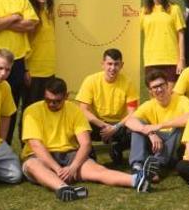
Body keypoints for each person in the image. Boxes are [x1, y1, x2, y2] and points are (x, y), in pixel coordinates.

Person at [21, 78, 157, 201]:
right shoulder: (32, 111)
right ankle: (62, 188)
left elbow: (85, 143)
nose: (51, 104)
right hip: (39, 157)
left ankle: (137, 180)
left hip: (69, 155)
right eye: (48, 100)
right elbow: (36, 146)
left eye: (57, 101)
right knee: (32, 165)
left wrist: (73, 167)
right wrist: (58, 169)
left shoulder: (74, 110)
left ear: (66, 96)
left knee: (98, 171)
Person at [0, 0, 38, 143]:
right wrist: (14, 17)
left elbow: (31, 24)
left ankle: (2, 147)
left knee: (10, 108)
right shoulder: (16, 7)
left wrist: (1, 22)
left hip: (16, 63)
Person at [75, 49, 139, 165]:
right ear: (102, 64)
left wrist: (115, 128)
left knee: (138, 124)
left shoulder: (128, 83)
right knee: (79, 123)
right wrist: (104, 125)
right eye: (109, 64)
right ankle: (88, 153)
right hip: (98, 124)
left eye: (116, 64)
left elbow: (132, 112)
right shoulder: (91, 80)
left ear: (122, 65)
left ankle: (118, 148)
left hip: (120, 125)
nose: (113, 68)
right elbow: (83, 110)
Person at [125, 70, 189, 175]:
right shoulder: (149, 105)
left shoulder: (181, 100)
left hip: (175, 145)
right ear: (150, 91)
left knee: (180, 127)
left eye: (161, 85)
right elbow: (129, 121)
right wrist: (149, 132)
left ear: (167, 85)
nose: (159, 89)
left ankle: (156, 165)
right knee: (138, 126)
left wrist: (159, 126)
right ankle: (137, 166)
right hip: (156, 144)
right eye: (155, 87)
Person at [140, 0, 185, 83]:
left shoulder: (174, 9)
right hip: (151, 61)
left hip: (171, 60)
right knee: (155, 98)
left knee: (171, 97)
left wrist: (181, 60)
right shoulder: (143, 11)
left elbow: (181, 35)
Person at [25, 0, 55, 105]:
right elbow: (23, 42)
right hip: (34, 71)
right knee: (30, 109)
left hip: (50, 70)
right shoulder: (29, 15)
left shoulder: (50, 13)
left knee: (45, 109)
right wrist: (25, 70)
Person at [0, 49, 21, 184]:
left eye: (7, 70)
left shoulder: (5, 87)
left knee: (15, 175)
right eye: (0, 68)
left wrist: (2, 141)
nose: (3, 73)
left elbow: (6, 115)